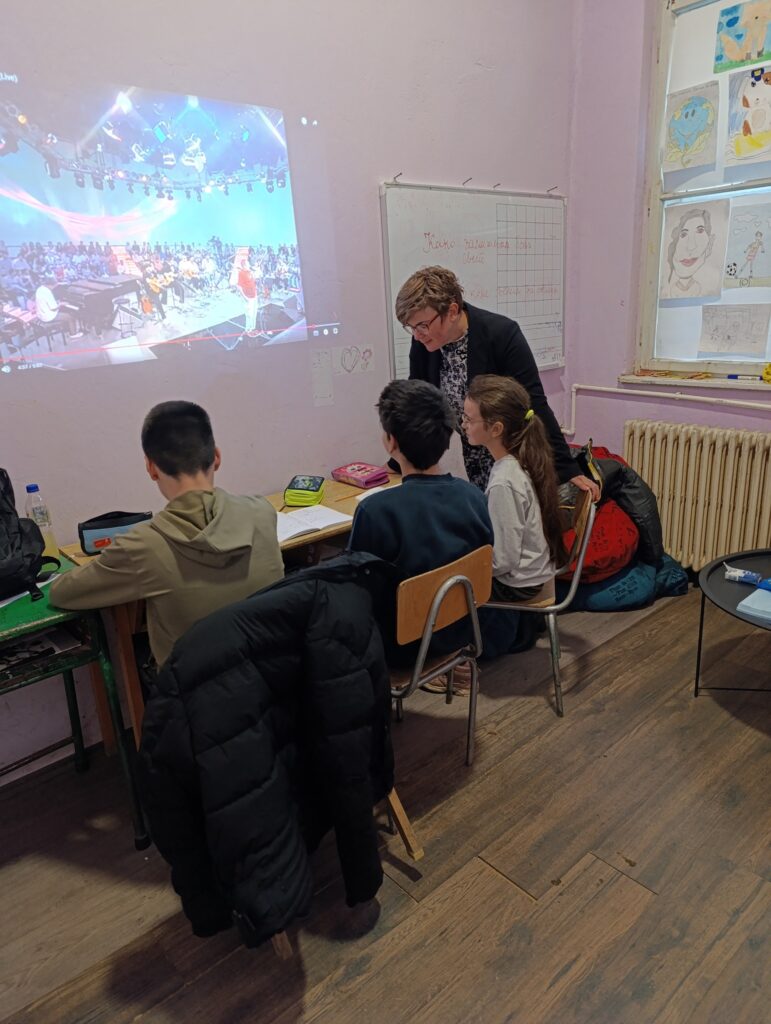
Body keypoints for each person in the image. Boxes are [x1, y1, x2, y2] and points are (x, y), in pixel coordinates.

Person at [50, 401, 284, 668]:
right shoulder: (262, 511)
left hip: (197, 690)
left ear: (151, 468)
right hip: (276, 677)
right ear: (217, 457)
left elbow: (63, 593)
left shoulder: (141, 546)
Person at [395, 266, 599, 499]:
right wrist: (399, 461)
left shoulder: (501, 334)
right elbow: (419, 404)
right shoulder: (424, 343)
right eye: (411, 327)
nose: (417, 335)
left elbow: (534, 403)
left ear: (452, 311)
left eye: (422, 325)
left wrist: (566, 468)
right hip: (467, 458)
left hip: (509, 456)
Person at [348, 379, 493, 686]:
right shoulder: (474, 497)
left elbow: (355, 595)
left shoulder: (375, 511)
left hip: (402, 649)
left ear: (391, 442)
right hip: (461, 630)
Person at [463, 375, 566, 657]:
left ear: (496, 428)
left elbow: (503, 561)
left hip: (519, 584)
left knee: (447, 583)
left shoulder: (504, 481)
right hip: (534, 573)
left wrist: (466, 566)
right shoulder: (522, 458)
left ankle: (471, 649)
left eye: (469, 419)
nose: (463, 424)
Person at [237, 257, 258, 336]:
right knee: (249, 314)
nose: (249, 264)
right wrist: (244, 297)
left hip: (254, 295)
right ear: (244, 265)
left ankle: (253, 328)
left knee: (254, 313)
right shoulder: (241, 273)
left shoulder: (250, 272)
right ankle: (248, 330)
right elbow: (239, 287)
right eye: (248, 263)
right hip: (248, 297)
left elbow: (253, 281)